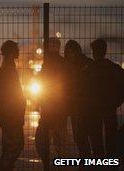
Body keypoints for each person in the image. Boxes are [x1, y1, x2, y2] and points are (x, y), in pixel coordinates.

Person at [35, 37, 68, 171]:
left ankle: (48, 165)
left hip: (51, 108)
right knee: (59, 142)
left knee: (44, 140)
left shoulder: (48, 63)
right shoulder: (62, 63)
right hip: (59, 109)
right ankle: (60, 166)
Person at [69, 40, 105, 158]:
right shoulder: (90, 64)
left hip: (82, 109)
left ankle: (87, 162)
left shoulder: (74, 67)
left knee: (81, 138)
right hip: (92, 109)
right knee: (95, 140)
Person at [0, 40, 26, 171]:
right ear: (11, 52)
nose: (19, 52)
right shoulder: (8, 70)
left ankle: (5, 167)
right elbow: (11, 95)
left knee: (9, 146)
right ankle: (2, 167)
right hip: (11, 115)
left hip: (8, 115)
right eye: (16, 50)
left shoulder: (6, 68)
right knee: (16, 145)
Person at [90, 39, 124, 157]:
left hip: (94, 109)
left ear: (94, 52)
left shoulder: (90, 68)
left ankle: (99, 162)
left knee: (96, 139)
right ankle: (111, 163)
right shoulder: (114, 68)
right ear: (105, 51)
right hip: (110, 108)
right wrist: (117, 101)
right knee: (111, 138)